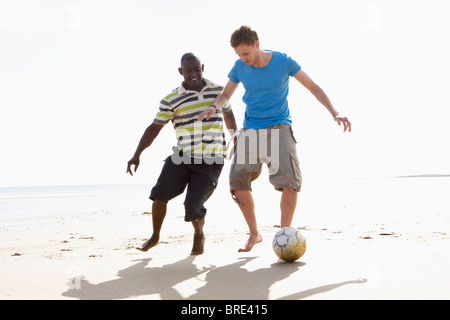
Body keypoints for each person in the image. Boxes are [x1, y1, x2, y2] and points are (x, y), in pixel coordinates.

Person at [198, 26, 351, 252]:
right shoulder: (240, 66)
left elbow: (313, 87)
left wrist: (334, 112)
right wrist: (214, 107)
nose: (243, 59)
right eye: (239, 55)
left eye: (246, 53)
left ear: (257, 44)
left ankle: (285, 235)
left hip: (280, 126)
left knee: (290, 181)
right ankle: (254, 234)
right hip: (251, 129)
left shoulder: (283, 61)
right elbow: (226, 94)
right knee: (237, 182)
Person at [127, 53, 237, 255]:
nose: (194, 74)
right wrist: (137, 154)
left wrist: (235, 138)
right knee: (159, 195)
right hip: (182, 156)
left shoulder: (218, 91)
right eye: (189, 71)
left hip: (211, 159)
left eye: (197, 69)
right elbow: (154, 128)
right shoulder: (171, 99)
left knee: (193, 204)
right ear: (181, 72)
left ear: (202, 67)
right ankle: (155, 236)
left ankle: (198, 234)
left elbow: (228, 113)